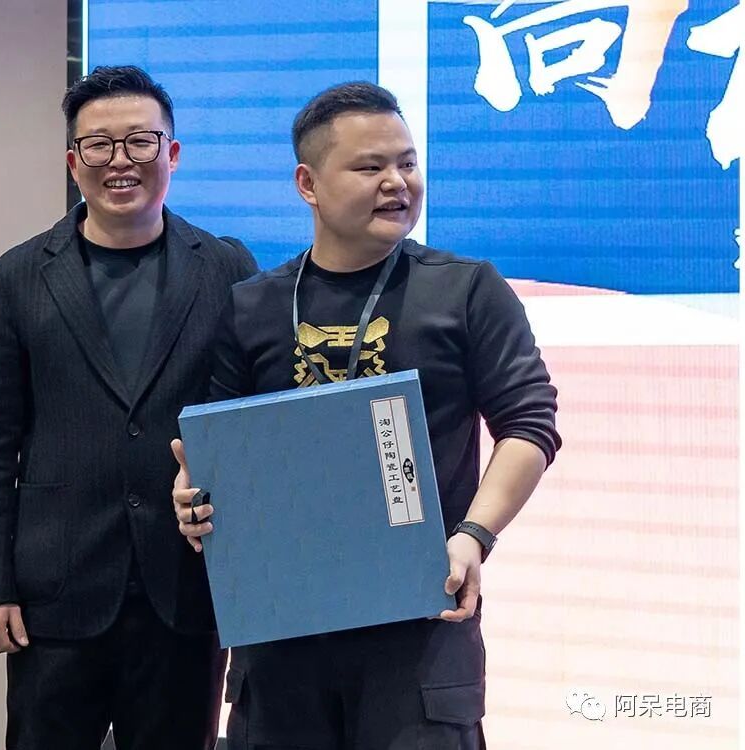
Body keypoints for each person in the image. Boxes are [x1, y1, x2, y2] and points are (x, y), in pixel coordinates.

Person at [172, 82, 561, 749]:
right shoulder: (252, 306)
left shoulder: (465, 289)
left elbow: (529, 425)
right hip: (283, 640)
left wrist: (473, 536)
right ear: (308, 183)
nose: (396, 182)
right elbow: (218, 448)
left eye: (407, 163)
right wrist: (193, 497)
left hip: (421, 630)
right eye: (370, 166)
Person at [0, 65, 257, 750]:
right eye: (98, 145)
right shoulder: (17, 276)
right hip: (56, 594)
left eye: (140, 141)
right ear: (74, 162)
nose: (120, 161)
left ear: (171, 153)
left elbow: (248, 423)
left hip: (186, 590)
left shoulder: (226, 269)